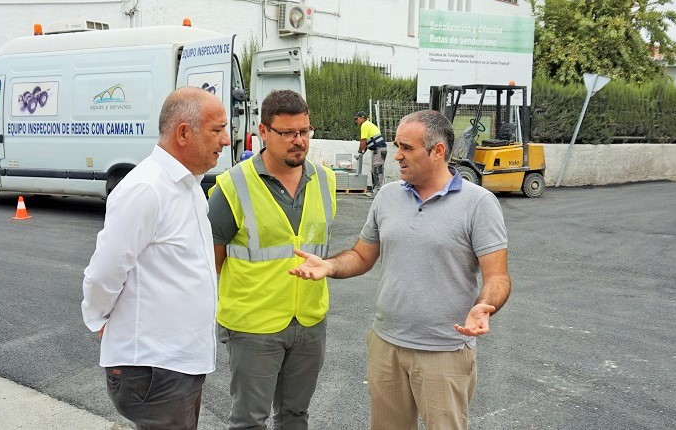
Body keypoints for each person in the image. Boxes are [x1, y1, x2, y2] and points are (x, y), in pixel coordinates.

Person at [290, 109, 511, 430]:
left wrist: (483, 306)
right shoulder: (388, 196)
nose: (397, 156)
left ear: (437, 151)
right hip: (386, 345)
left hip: (444, 352)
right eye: (397, 146)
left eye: (406, 148)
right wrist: (329, 265)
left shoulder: (479, 204)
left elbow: (498, 276)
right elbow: (362, 256)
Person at [81, 87, 230, 430]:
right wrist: (100, 319)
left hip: (179, 362)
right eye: (216, 129)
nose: (225, 139)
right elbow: (105, 271)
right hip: (155, 368)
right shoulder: (146, 189)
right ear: (183, 133)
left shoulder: (188, 186)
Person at [208, 89, 337, 430]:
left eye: (304, 131)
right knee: (249, 420)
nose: (299, 141)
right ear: (263, 132)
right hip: (253, 326)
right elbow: (212, 260)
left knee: (296, 416)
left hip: (309, 322)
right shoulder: (233, 186)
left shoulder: (324, 180)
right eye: (288, 133)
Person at [354, 110, 387, 197]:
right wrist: (363, 152)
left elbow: (363, 141)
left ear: (362, 118)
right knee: (374, 170)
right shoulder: (368, 124)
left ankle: (378, 192)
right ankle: (375, 190)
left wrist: (360, 151)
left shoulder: (364, 125)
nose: (356, 121)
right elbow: (368, 142)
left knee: (377, 169)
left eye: (357, 119)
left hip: (379, 149)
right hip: (378, 149)